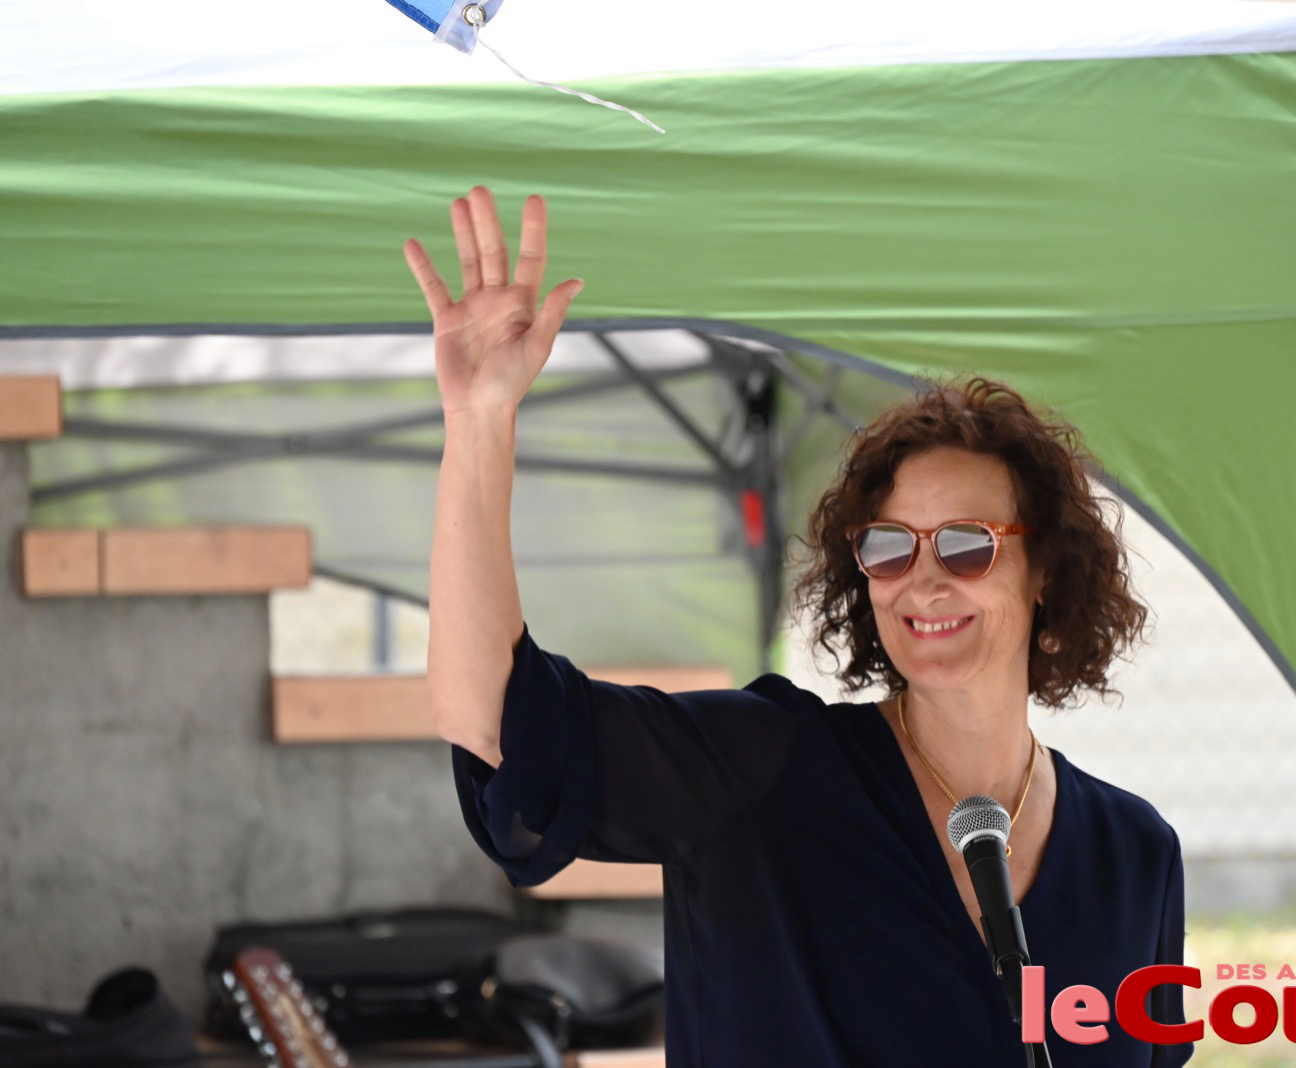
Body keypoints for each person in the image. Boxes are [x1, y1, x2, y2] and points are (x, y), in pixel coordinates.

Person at [406, 186, 1194, 1067]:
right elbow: (496, 721)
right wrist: (479, 422)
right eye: (890, 547)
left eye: (968, 544)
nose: (924, 578)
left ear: (1046, 569)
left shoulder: (1136, 858)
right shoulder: (765, 771)